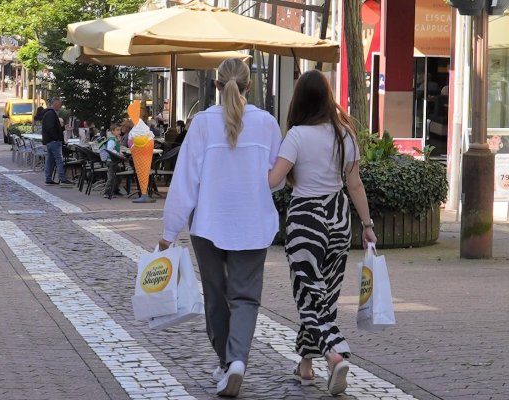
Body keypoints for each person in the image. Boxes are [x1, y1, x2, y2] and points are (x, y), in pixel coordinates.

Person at [158, 58, 281, 397]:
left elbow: (185, 181)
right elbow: (277, 178)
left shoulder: (201, 124)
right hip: (253, 223)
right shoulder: (267, 123)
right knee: (245, 298)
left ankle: (226, 362)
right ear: (248, 86)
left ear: (215, 86)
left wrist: (169, 232)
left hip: (209, 223)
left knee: (215, 295)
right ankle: (236, 360)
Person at [265, 70, 376, 396]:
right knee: (322, 297)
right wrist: (367, 226)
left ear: (299, 100)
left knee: (309, 295)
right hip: (339, 218)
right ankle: (306, 366)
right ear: (328, 98)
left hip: (306, 219)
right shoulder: (345, 134)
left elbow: (273, 181)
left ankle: (334, 353)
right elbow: (355, 184)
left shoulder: (297, 136)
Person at [41, 98, 72, 185]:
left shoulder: (49, 113)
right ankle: (62, 178)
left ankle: (48, 178)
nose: (61, 106)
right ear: (55, 103)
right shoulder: (51, 114)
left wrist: (62, 128)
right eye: (60, 104)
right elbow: (50, 128)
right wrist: (56, 137)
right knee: (59, 159)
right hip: (53, 141)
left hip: (50, 140)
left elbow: (53, 127)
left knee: (50, 159)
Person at [100, 120, 131, 199]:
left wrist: (120, 152)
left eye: (120, 130)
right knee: (111, 177)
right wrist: (118, 154)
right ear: (112, 131)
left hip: (114, 161)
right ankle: (107, 192)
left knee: (119, 175)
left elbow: (117, 148)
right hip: (111, 161)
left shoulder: (116, 139)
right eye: (117, 130)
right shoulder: (111, 139)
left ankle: (115, 190)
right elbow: (110, 149)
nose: (119, 132)